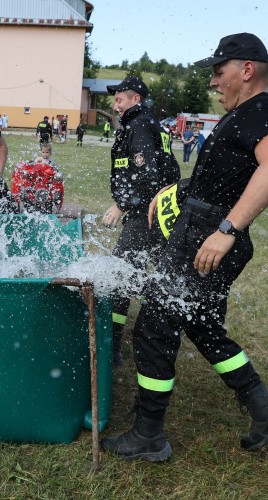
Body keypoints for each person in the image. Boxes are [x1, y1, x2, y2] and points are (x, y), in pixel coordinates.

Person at [102, 32, 268, 462]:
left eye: (219, 72)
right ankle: (263, 408)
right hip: (202, 229)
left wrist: (228, 228)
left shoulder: (261, 110)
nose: (214, 82)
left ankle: (148, 435)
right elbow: (224, 175)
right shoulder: (245, 113)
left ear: (246, 70)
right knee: (201, 324)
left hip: (208, 238)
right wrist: (177, 189)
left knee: (155, 326)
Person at [102, 75, 180, 366]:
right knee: (137, 276)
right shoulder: (146, 123)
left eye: (120, 99)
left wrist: (121, 205)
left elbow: (147, 176)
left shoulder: (140, 125)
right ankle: (158, 327)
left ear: (136, 99)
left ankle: (112, 346)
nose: (116, 104)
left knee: (119, 274)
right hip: (155, 214)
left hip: (144, 214)